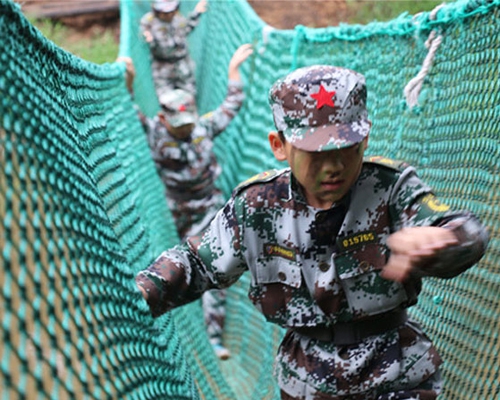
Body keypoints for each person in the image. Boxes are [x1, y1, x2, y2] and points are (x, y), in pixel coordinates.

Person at [135, 65, 489, 398]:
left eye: (346, 149)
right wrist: (138, 295)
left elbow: (461, 229)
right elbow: (197, 263)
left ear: (365, 140)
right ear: (279, 146)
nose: (334, 166)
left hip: (396, 367)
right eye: (315, 154)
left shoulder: (391, 188)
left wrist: (447, 241)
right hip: (306, 378)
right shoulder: (257, 207)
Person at [140, 43, 254, 360]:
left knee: (213, 266)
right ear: (163, 119)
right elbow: (126, 109)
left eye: (188, 121)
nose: (186, 128)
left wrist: (233, 71)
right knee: (172, 269)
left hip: (208, 208)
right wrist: (128, 77)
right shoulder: (153, 133)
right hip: (175, 211)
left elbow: (231, 106)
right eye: (179, 124)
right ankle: (167, 340)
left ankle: (215, 337)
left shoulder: (201, 128)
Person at [140, 0, 208, 97]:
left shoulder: (178, 19)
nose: (169, 15)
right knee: (165, 97)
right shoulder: (149, 21)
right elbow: (143, 36)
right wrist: (147, 37)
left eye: (172, 11)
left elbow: (186, 29)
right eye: (165, 13)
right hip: (162, 66)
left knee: (189, 94)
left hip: (182, 63)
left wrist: (196, 13)